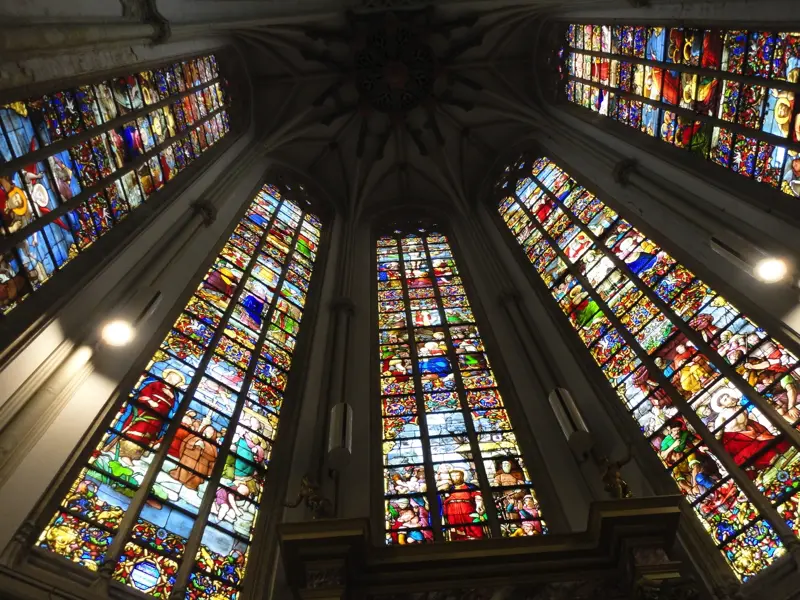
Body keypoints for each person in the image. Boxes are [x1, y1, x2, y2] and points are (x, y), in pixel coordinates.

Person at [105, 369, 186, 465]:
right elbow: (142, 395)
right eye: (172, 378)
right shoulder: (155, 384)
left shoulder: (174, 394)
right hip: (144, 413)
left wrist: (166, 402)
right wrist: (151, 402)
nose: (173, 381)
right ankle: (122, 453)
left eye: (176, 381)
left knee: (147, 437)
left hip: (158, 420)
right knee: (137, 432)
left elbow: (171, 409)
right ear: (167, 376)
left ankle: (133, 456)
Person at [169, 414, 219, 490]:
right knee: (184, 471)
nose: (206, 433)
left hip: (200, 466)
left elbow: (213, 458)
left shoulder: (213, 446)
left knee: (194, 480)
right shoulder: (195, 437)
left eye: (209, 432)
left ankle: (192, 484)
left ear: (213, 435)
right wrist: (195, 443)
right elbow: (186, 444)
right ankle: (181, 477)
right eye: (206, 430)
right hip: (188, 461)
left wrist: (204, 448)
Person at [441, 469, 485, 540]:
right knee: (455, 530)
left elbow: (477, 495)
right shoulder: (449, 488)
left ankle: (478, 540)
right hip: (452, 511)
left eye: (457, 475)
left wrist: (479, 504)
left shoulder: (470, 486)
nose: (455, 478)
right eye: (452, 476)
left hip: (467, 508)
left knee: (474, 527)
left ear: (462, 476)